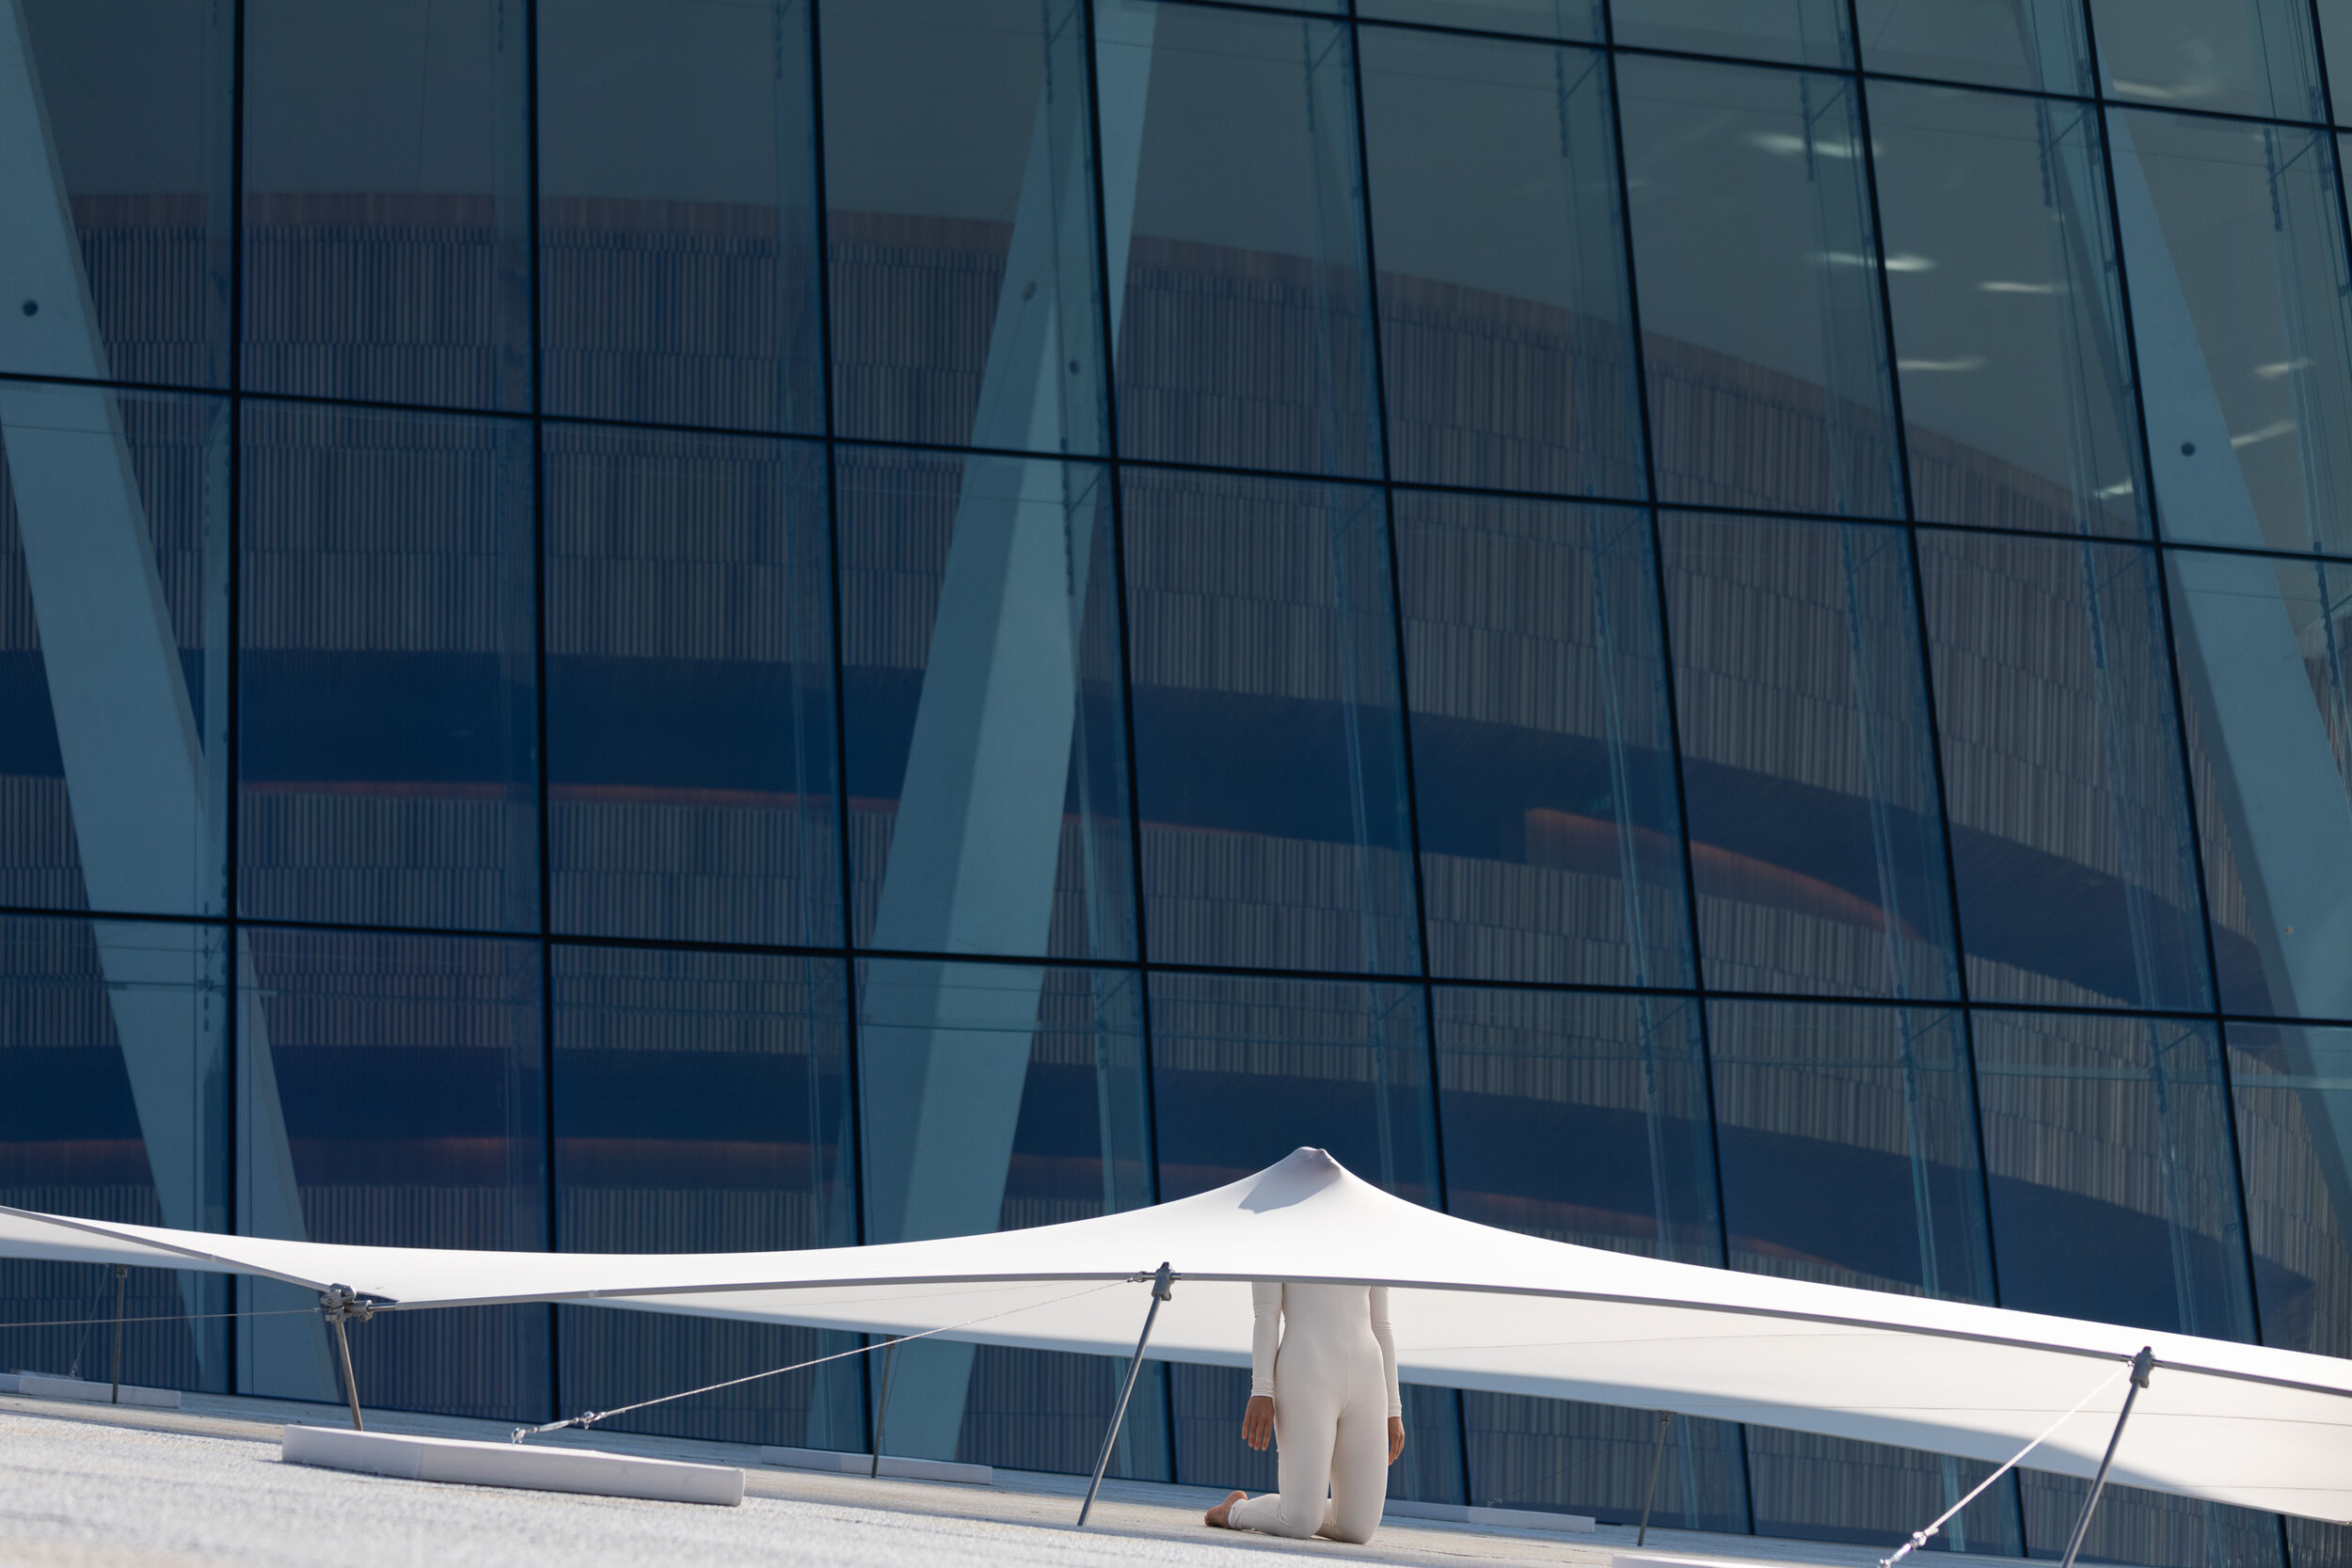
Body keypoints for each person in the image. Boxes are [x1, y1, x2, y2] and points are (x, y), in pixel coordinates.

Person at [1202, 1280, 1405, 1544]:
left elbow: (1382, 1325)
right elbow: (1266, 1313)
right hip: (1305, 1375)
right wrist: (1262, 1389)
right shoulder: (1278, 1238)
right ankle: (1234, 1512)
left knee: (1356, 1529)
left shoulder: (1374, 1240)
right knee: (1298, 1522)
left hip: (1369, 1383)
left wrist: (1393, 1408)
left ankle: (1304, 1505)